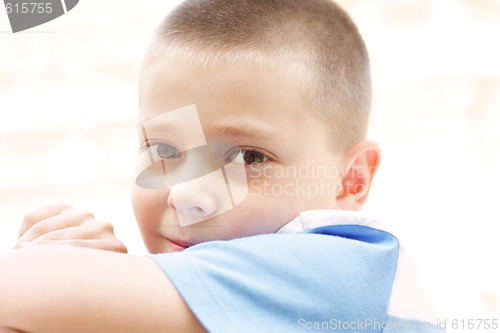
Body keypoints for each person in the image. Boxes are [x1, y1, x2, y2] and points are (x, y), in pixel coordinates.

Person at [0, 0, 442, 332]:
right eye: (165, 152)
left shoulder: (342, 271)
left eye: (248, 157)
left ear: (352, 178)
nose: (187, 195)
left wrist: (52, 267)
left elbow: (21, 289)